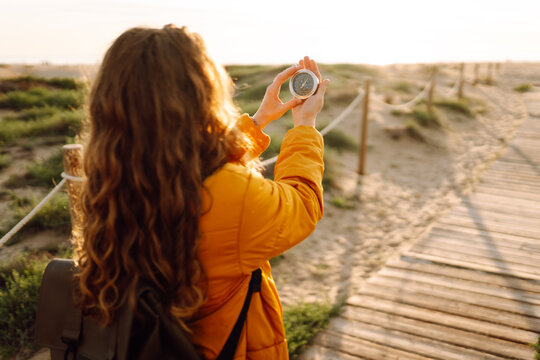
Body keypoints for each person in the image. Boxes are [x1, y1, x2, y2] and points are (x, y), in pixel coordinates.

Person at [76, 24, 328, 359]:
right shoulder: (232, 195)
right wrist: (305, 128)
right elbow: (302, 204)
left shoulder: (112, 178)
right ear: (201, 92)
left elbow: (194, 166)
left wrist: (260, 119)